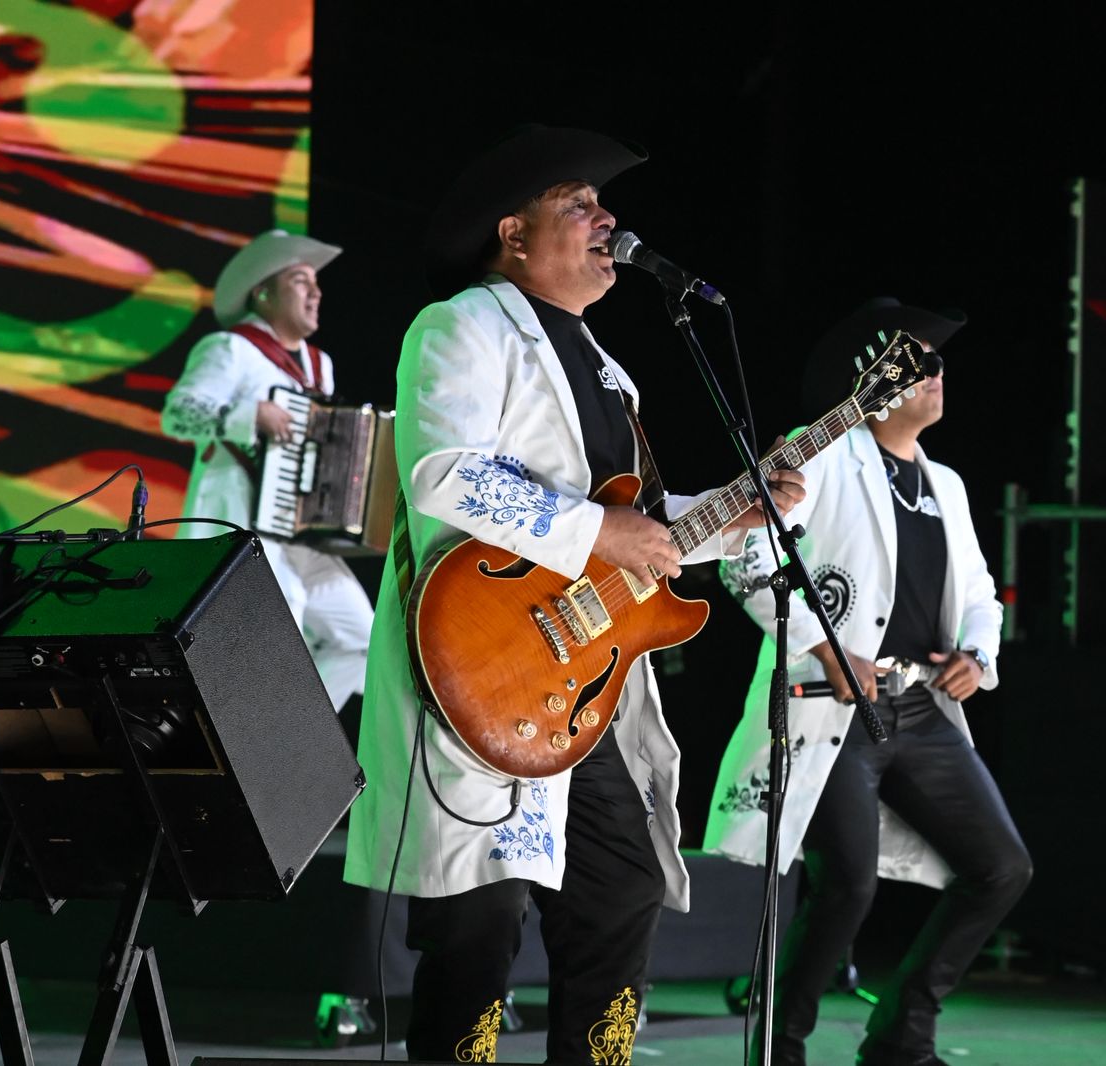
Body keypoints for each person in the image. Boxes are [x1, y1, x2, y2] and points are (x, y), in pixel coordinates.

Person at [341, 125, 806, 1064]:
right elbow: (442, 474)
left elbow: (632, 522)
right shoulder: (465, 323)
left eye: (605, 206)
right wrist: (605, 532)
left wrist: (732, 514)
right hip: (485, 659)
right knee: (481, 919)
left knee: (621, 888)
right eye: (581, 206)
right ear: (514, 234)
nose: (609, 221)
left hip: (582, 673)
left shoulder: (606, 366)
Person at [706, 298, 1033, 1066]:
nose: (937, 374)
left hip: (919, 707)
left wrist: (978, 656)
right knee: (847, 886)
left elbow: (982, 594)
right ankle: (780, 1048)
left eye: (938, 362)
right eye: (919, 361)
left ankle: (902, 1032)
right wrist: (825, 647)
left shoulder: (944, 483)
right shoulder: (819, 456)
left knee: (1002, 867)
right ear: (872, 377)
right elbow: (745, 559)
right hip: (834, 708)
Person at [161, 230, 373, 713]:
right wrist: (248, 415)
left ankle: (296, 724)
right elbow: (178, 414)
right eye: (301, 281)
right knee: (283, 612)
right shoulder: (230, 348)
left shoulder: (321, 366)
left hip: (301, 530)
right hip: (243, 522)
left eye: (316, 283)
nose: (316, 292)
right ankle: (254, 724)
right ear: (263, 292)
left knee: (362, 638)